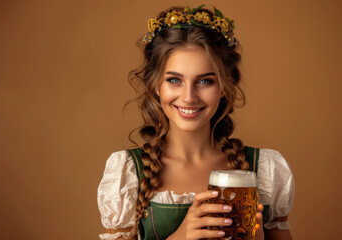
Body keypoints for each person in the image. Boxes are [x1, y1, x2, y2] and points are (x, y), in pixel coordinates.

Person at [97, 5, 294, 240]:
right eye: (174, 80)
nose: (189, 96)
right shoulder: (127, 173)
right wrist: (180, 236)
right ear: (156, 86)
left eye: (204, 81)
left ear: (223, 87)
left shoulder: (265, 170)